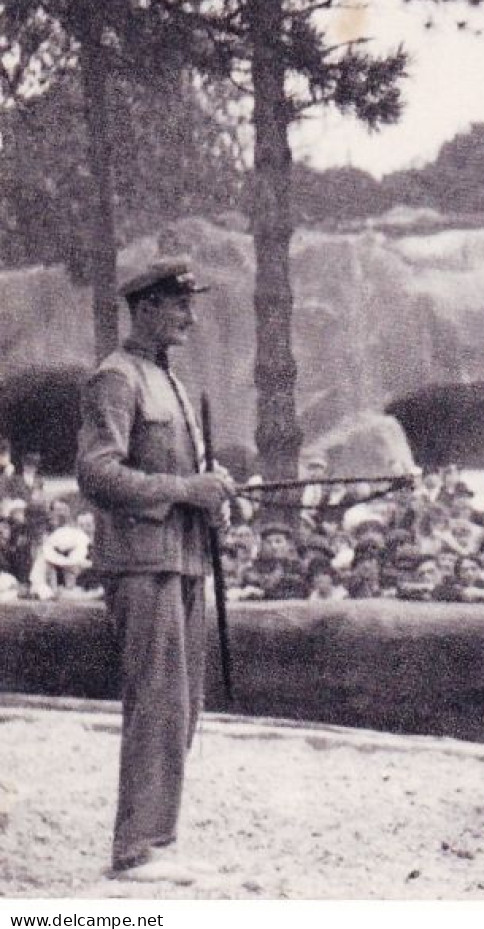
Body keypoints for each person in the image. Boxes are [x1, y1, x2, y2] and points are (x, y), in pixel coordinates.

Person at [75, 258, 235, 884]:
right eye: (179, 305)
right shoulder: (116, 379)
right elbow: (96, 472)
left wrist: (210, 496)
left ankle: (157, 838)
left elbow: (183, 480)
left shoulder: (166, 378)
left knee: (182, 702)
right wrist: (185, 488)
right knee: (157, 701)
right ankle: (135, 848)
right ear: (145, 308)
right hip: (141, 564)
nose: (190, 316)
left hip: (182, 558)